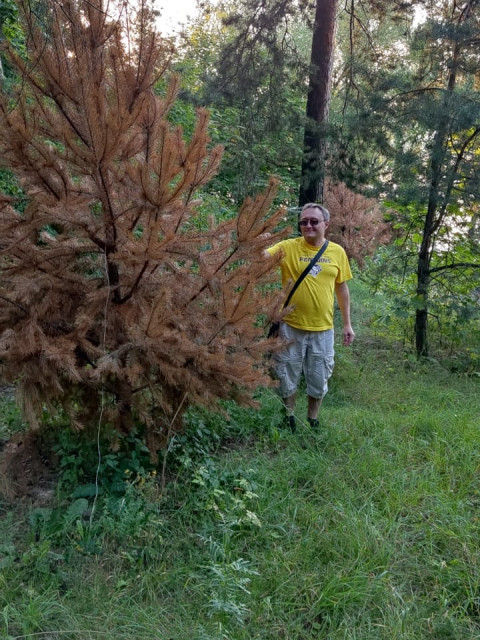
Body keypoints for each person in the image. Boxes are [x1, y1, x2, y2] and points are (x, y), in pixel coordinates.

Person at [265, 202, 355, 431]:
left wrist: (347, 324)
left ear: (326, 224)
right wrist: (259, 240)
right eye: (304, 222)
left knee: (319, 376)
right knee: (286, 374)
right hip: (290, 327)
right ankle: (289, 418)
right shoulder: (288, 247)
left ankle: (312, 420)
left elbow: (342, 288)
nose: (308, 225)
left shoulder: (337, 252)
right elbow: (264, 257)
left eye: (314, 221)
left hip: (323, 329)